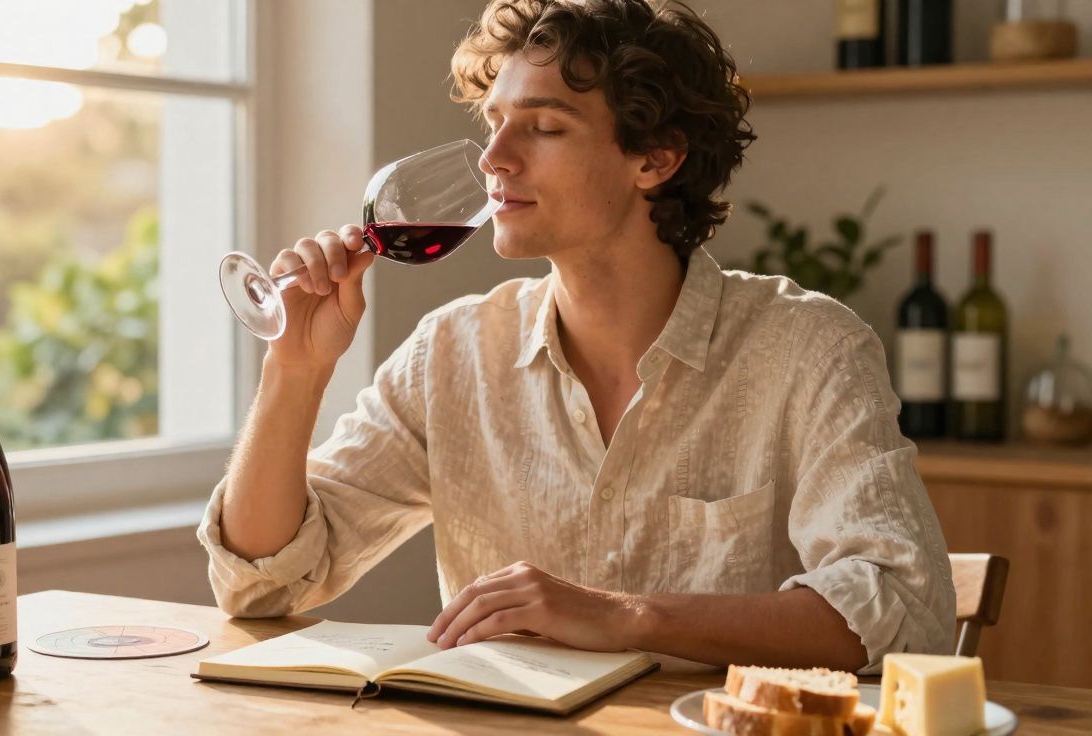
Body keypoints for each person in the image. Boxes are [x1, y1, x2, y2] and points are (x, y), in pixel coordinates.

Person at [197, 0, 954, 673]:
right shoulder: (452, 353)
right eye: (495, 123)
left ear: (655, 158)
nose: (493, 159)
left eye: (545, 127)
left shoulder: (809, 348)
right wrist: (295, 371)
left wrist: (628, 617)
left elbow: (902, 608)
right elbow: (261, 583)